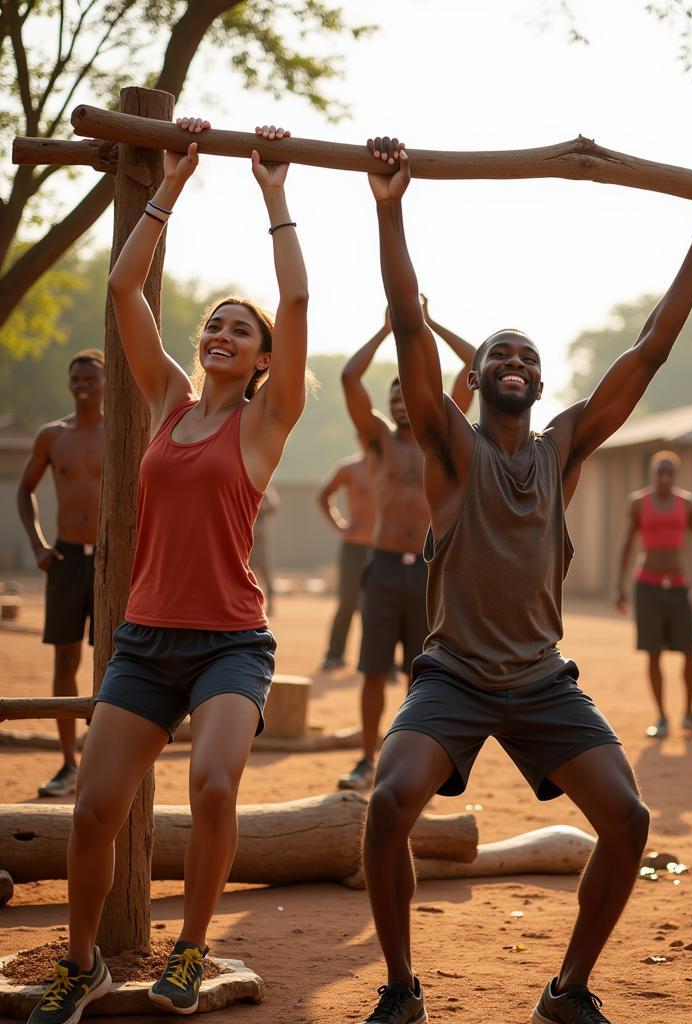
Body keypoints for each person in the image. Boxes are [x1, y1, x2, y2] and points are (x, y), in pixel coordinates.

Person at [357, 136, 692, 1024]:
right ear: (478, 379)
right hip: (452, 675)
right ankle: (402, 989)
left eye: (525, 352)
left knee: (631, 823)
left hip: (540, 680)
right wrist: (389, 205)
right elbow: (411, 327)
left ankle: (567, 992)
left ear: (541, 377)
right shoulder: (450, 452)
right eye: (498, 353)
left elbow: (647, 352)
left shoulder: (563, 447)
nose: (513, 359)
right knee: (386, 803)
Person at [27, 116, 309, 1024]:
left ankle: (190, 950)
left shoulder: (263, 426)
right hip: (146, 641)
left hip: (231, 640)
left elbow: (297, 306)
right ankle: (83, 965)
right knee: (93, 812)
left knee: (215, 784)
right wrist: (172, 184)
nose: (226, 332)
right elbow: (122, 284)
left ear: (263, 361)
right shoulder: (168, 402)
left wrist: (273, 190)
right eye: (216, 324)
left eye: (243, 330)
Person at [336, 300, 476, 791]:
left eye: (406, 395)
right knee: (374, 669)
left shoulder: (438, 441)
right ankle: (366, 759)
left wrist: (429, 324)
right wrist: (385, 329)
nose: (399, 402)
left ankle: (420, 763)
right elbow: (351, 380)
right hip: (381, 570)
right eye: (393, 396)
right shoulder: (377, 441)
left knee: (425, 674)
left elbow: (476, 363)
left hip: (427, 570)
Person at [16, 350, 104, 797]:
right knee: (66, 660)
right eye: (76, 378)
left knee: (113, 662)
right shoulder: (54, 435)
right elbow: (25, 491)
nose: (83, 384)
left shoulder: (124, 432)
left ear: (107, 383)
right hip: (66, 557)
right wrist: (38, 546)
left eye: (91, 377)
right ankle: (68, 763)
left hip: (111, 560)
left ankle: (103, 764)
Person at [615, 450, 692, 738]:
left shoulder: (687, 503)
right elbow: (626, 543)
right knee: (653, 653)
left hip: (679, 585)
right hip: (646, 585)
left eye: (670, 473)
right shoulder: (638, 503)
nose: (665, 478)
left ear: (676, 476)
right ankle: (660, 717)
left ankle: (690, 714)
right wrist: (618, 585)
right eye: (660, 472)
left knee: (690, 651)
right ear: (652, 474)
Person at [318, 454, 375, 670]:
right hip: (354, 546)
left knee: (379, 606)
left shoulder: (394, 465)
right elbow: (323, 496)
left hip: (384, 548)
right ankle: (334, 654)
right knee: (347, 602)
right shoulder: (350, 468)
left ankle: (383, 662)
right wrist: (340, 525)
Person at [250, 483, 279, 616]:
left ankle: (271, 603)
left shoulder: (263, 486)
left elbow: (273, 506)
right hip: (242, 539)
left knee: (265, 571)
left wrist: (257, 506)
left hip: (259, 539)